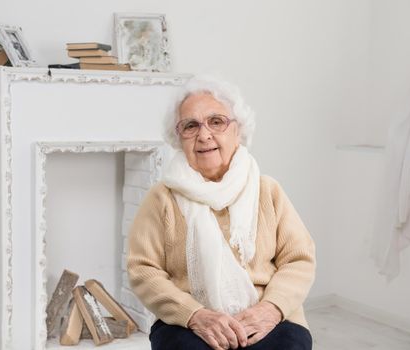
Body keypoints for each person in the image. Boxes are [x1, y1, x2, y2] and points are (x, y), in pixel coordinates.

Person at [127, 76, 316, 350]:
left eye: (216, 122)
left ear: (238, 131)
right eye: (191, 126)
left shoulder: (268, 190)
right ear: (178, 138)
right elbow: (143, 270)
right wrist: (194, 315)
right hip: (188, 321)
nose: (204, 135)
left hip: (267, 315)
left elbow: (299, 259)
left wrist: (271, 309)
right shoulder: (161, 198)